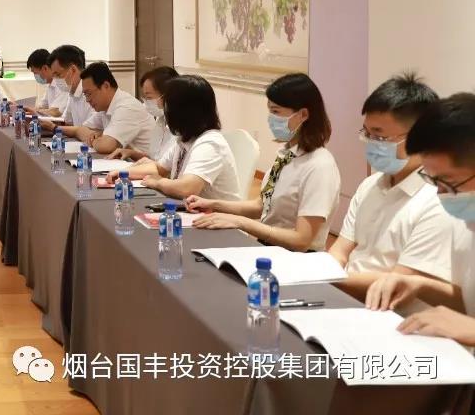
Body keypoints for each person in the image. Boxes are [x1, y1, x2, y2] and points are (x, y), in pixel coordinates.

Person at [323, 73, 456, 304]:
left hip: (390, 312)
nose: (370, 143)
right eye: (367, 133)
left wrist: (322, 278)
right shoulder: (370, 185)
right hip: (344, 296)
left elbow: (399, 284)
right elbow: (340, 251)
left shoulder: (438, 201)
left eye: (380, 137)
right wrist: (323, 274)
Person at [363, 93, 475, 345]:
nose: (441, 194)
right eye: (434, 182)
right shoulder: (464, 220)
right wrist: (420, 285)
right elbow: (469, 301)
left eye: (450, 182)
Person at [189, 73, 341, 252]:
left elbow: (301, 241)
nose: (270, 119)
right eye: (270, 111)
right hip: (268, 248)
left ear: (303, 114)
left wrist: (240, 223)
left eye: (276, 112)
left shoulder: (320, 167)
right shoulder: (287, 155)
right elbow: (261, 206)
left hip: (295, 259)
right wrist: (213, 204)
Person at [122, 75, 241, 202]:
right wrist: (123, 173)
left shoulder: (210, 144)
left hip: (216, 213)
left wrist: (158, 182)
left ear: (181, 111)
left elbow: (187, 189)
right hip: (189, 209)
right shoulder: (185, 138)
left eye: (167, 106)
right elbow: (159, 168)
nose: (165, 111)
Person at [74, 62, 154, 155]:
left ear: (106, 86)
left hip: (143, 162)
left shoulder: (127, 107)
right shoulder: (105, 107)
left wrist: (96, 138)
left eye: (89, 94)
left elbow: (105, 146)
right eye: (85, 95)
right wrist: (100, 135)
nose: (87, 100)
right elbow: (81, 129)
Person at [114, 66, 180, 161]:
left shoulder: (179, 128)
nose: (146, 103)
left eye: (149, 98)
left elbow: (166, 167)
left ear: (167, 95)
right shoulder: (160, 119)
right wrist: (131, 153)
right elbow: (155, 159)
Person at [40, 45, 94, 133]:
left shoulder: (91, 92)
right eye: (54, 76)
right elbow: (67, 122)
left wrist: (53, 127)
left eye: (58, 74)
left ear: (73, 70)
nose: (56, 80)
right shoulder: (72, 92)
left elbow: (90, 132)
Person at [22, 48, 68, 117]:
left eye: (35, 73)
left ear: (45, 68)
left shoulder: (61, 84)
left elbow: (56, 111)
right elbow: (42, 106)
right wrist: (22, 108)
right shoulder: (50, 85)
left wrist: (34, 111)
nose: (35, 76)